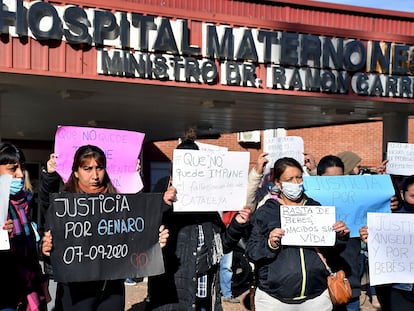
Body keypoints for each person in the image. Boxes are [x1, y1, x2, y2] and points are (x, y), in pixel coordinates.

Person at [40, 145, 175, 311]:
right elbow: (49, 238)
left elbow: (134, 236)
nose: (95, 176)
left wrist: (153, 241)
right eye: (87, 169)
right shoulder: (64, 205)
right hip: (75, 293)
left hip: (112, 290)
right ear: (76, 172)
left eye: (99, 168)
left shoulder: (119, 202)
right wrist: (46, 249)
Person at [146, 138, 252, 311]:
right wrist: (163, 204)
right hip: (171, 299)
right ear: (173, 178)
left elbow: (222, 247)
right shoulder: (162, 204)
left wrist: (237, 224)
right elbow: (144, 237)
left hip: (203, 297)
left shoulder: (209, 212)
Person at [246, 157, 349, 311]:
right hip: (274, 300)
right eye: (289, 179)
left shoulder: (315, 207)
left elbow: (332, 249)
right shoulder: (266, 212)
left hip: (316, 297)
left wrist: (340, 236)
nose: (295, 183)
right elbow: (252, 251)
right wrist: (270, 244)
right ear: (278, 184)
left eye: (299, 177)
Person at [0, 142, 49, 311]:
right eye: (13, 169)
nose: (20, 174)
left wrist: (43, 245)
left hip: (28, 287)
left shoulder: (24, 204)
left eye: (22, 168)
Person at [359, 175, 414, 311]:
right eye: (413, 196)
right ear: (402, 194)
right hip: (398, 288)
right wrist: (369, 240)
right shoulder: (388, 220)